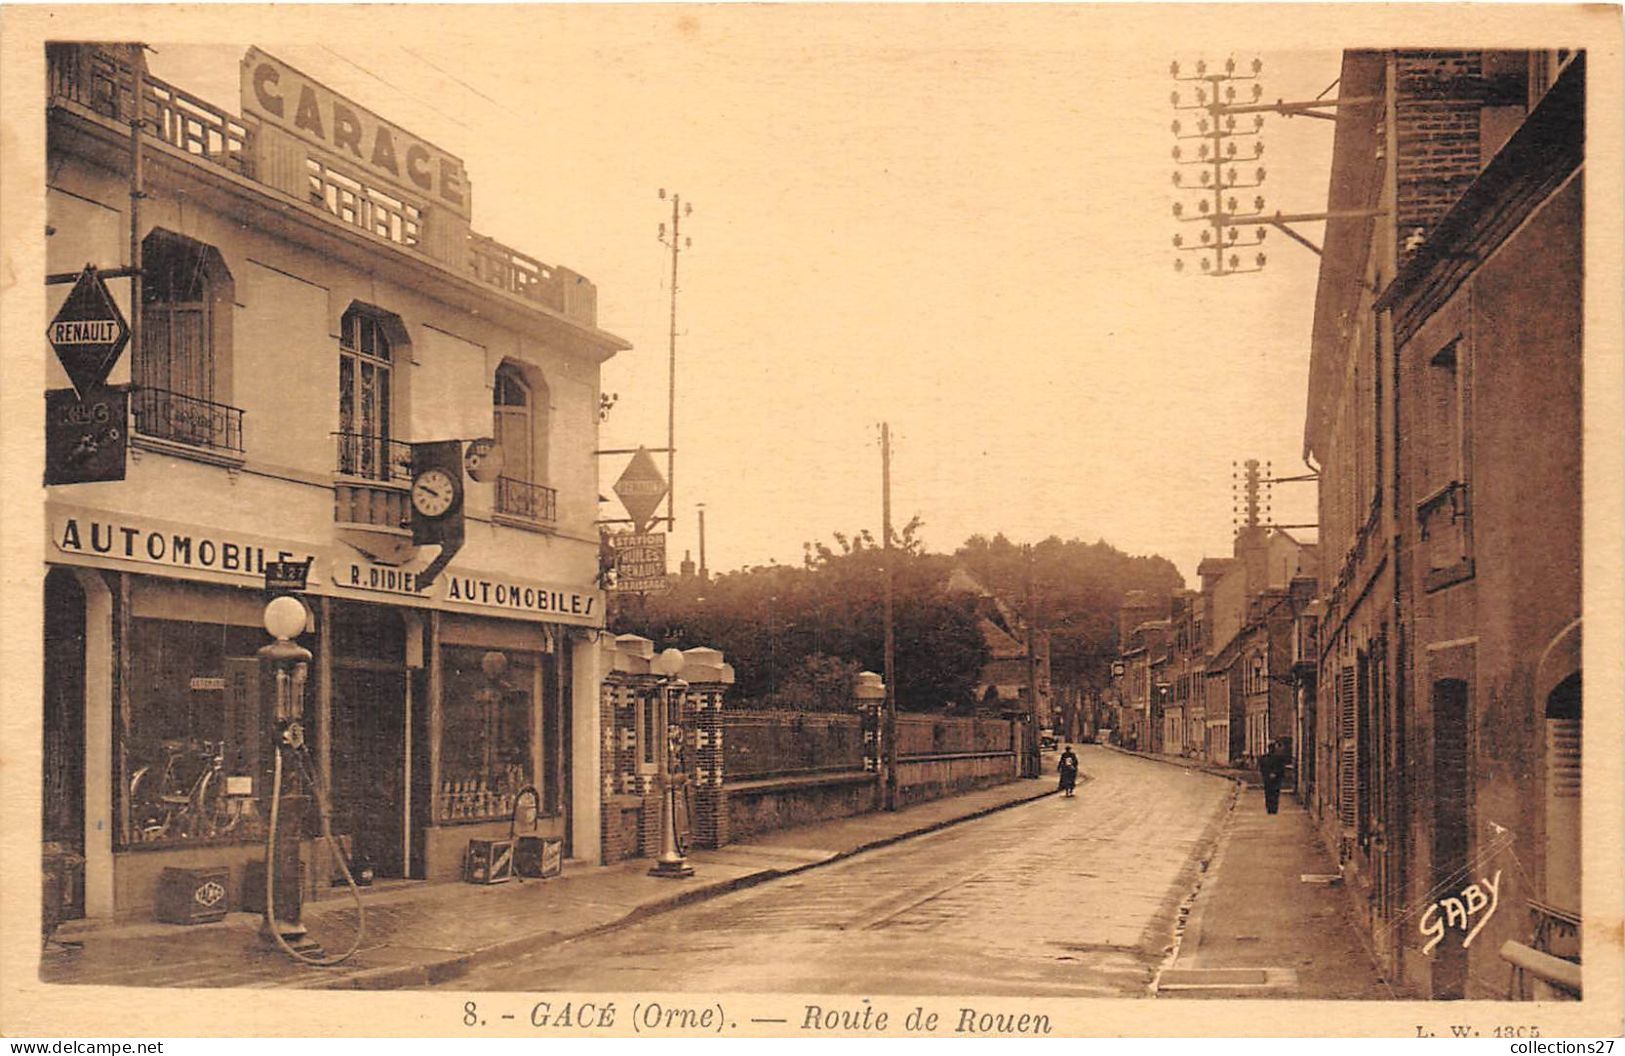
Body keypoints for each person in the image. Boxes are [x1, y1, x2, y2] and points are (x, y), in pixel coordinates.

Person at [1258, 740, 1288, 815]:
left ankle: (1271, 808)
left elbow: (1262, 769)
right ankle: (1272, 808)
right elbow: (1262, 768)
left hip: (1271, 779)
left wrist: (1270, 774)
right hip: (1272, 779)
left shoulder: (1266, 758)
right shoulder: (1276, 758)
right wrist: (1273, 774)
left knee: (1271, 793)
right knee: (1273, 793)